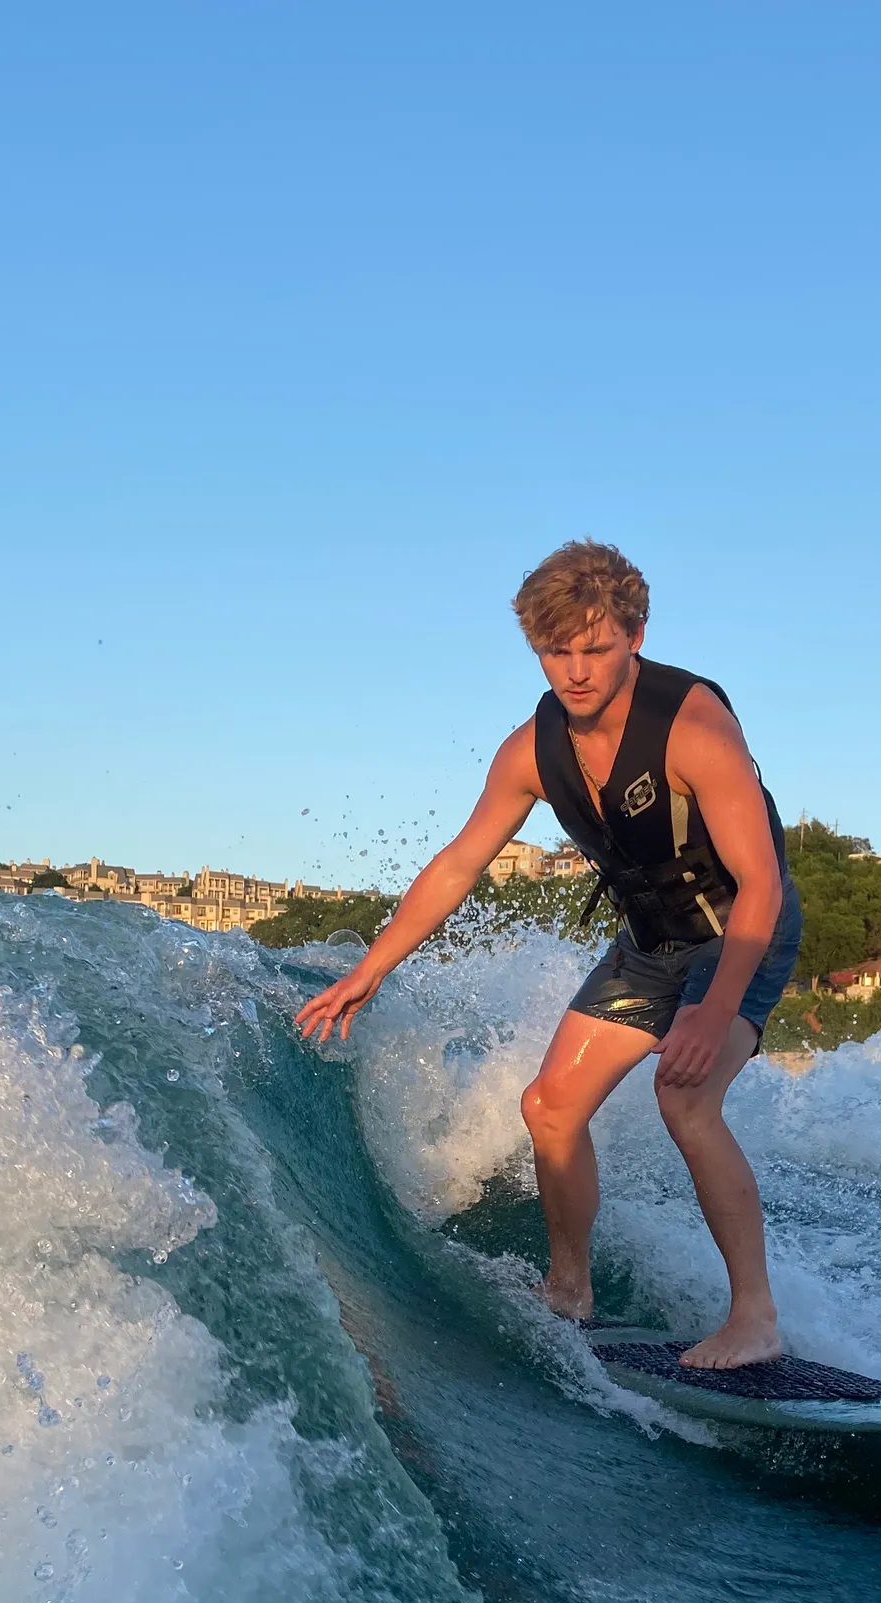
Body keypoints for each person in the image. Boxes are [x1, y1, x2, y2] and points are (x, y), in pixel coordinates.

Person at [294, 539, 802, 1368]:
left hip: (742, 929)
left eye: (595, 649)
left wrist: (714, 1012)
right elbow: (460, 862)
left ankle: (755, 1317)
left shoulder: (695, 728)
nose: (575, 671)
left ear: (635, 635)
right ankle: (570, 1288)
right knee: (549, 1108)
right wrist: (369, 969)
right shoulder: (530, 752)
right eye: (555, 651)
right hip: (651, 940)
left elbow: (762, 884)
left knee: (686, 1102)